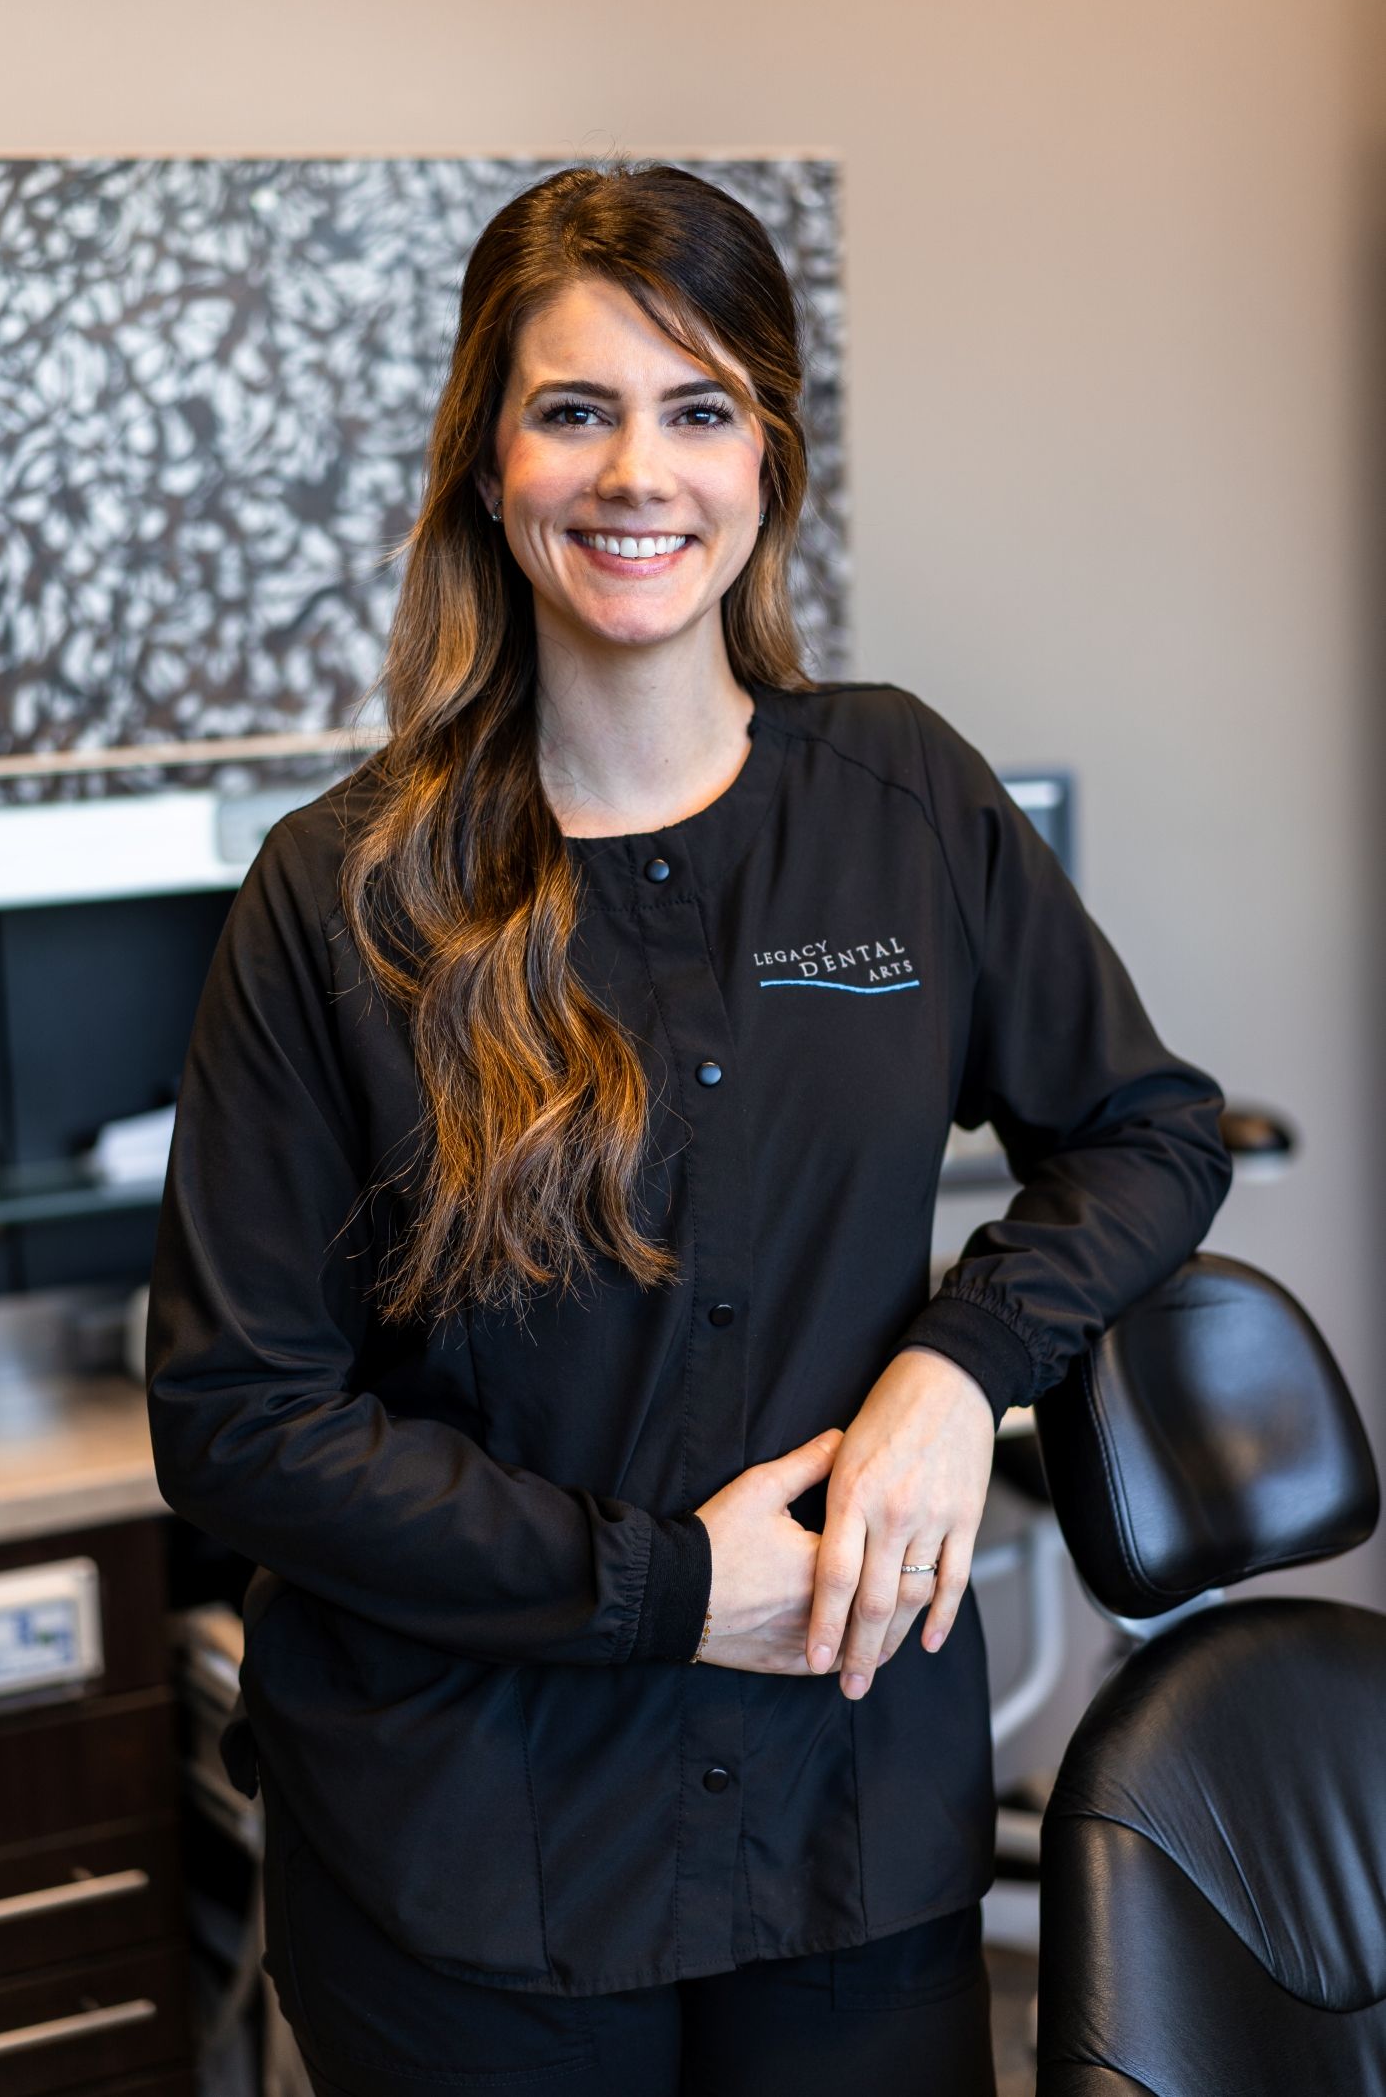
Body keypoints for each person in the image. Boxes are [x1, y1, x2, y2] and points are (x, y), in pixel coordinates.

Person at [146, 162, 1233, 2097]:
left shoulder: (901, 797)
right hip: (466, 1859)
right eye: (576, 409)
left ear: (767, 462)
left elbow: (1147, 1130)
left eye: (700, 407)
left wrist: (950, 1368)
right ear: (491, 463)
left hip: (843, 1825)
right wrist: (654, 1582)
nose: (638, 472)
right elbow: (238, 1420)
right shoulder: (342, 897)